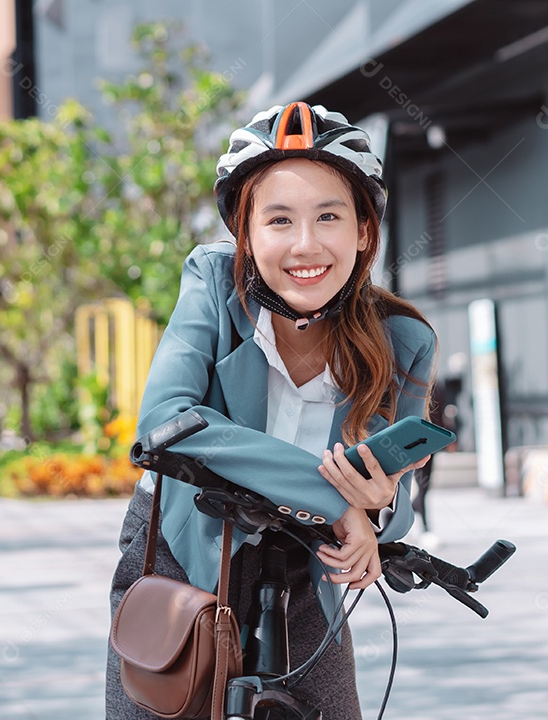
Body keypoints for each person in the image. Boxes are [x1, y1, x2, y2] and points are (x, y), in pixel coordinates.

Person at [106, 102, 437, 720]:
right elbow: (165, 422)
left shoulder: (403, 341)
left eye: (329, 216)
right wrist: (333, 498)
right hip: (184, 547)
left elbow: (397, 503)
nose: (305, 244)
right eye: (279, 219)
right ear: (246, 234)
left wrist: (376, 512)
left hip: (305, 569)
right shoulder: (212, 284)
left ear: (363, 231)